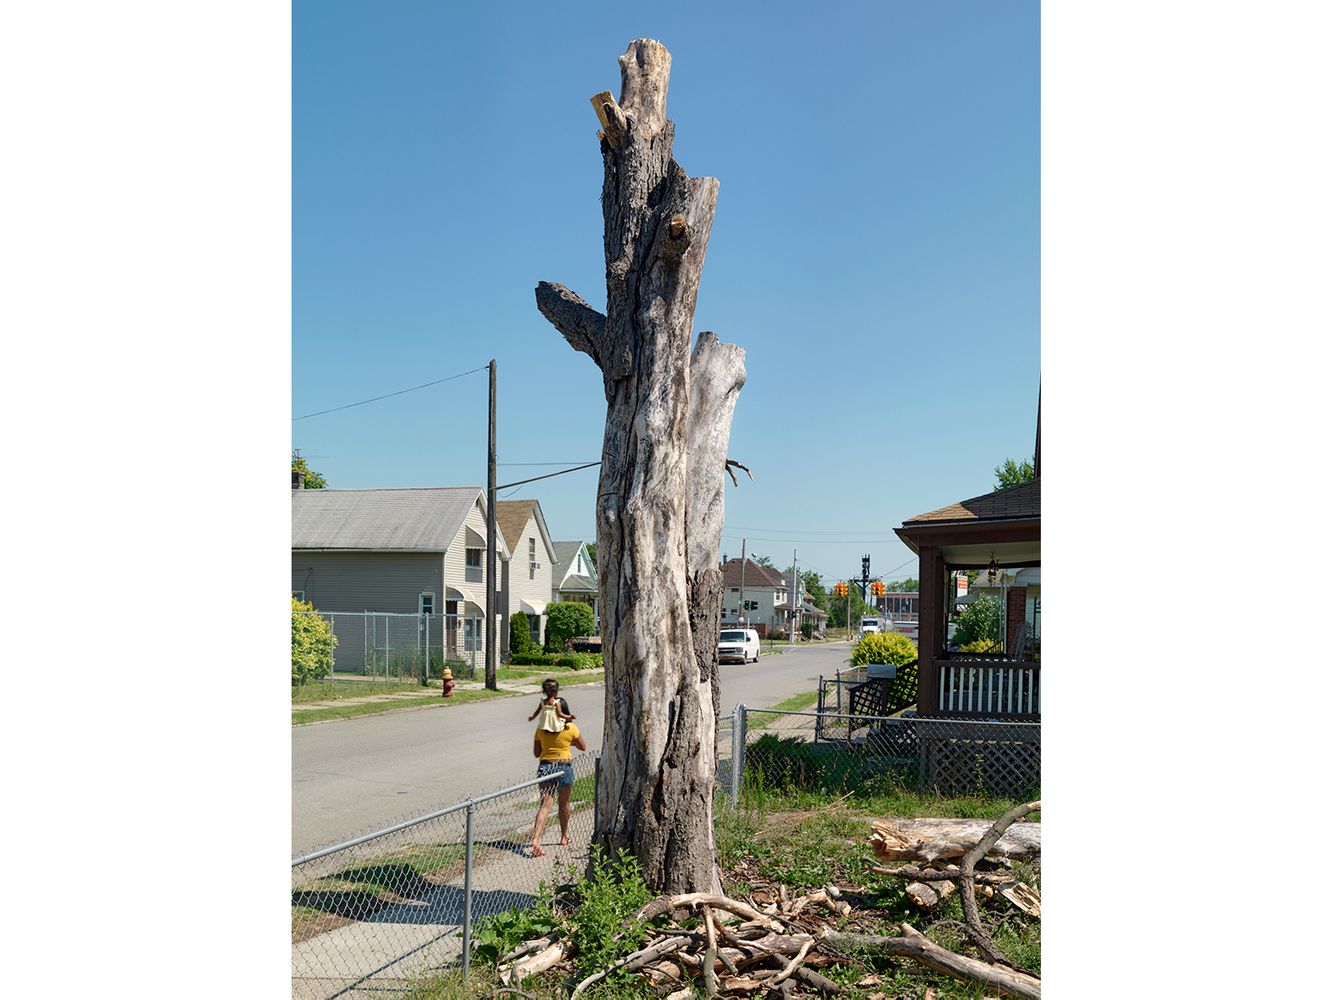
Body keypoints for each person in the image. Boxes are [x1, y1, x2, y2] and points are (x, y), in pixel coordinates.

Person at [528, 710, 586, 857]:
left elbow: (536, 753)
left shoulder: (541, 729)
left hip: (545, 766)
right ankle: (563, 836)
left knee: (545, 805)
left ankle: (536, 839)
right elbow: (583, 746)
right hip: (564, 766)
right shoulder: (570, 728)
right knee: (564, 803)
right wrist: (568, 742)